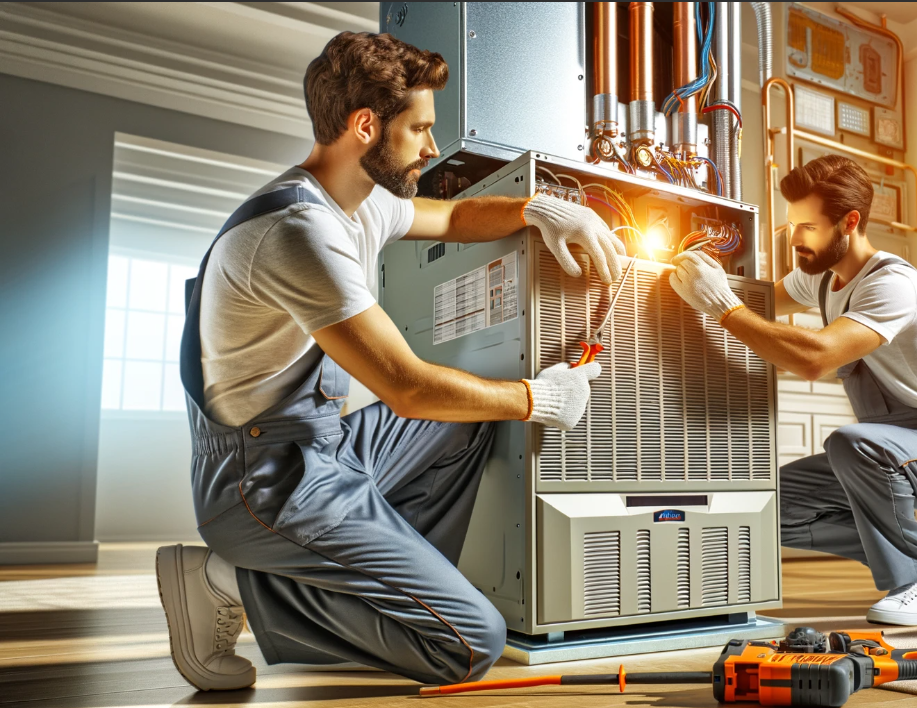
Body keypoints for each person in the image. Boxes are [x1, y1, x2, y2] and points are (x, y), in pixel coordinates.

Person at [156, 32, 626, 691]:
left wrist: (540, 209)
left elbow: (451, 219)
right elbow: (406, 387)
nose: (433, 148)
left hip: (327, 446)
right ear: (366, 126)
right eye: (422, 129)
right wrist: (537, 399)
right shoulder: (299, 233)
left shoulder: (355, 200)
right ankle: (223, 577)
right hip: (263, 482)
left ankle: (388, 585)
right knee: (469, 645)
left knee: (467, 417)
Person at [669, 155, 917, 626]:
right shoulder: (819, 278)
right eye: (792, 225)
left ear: (849, 222)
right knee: (770, 508)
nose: (794, 239)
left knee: (850, 443)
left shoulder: (892, 284)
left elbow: (813, 356)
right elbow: (760, 303)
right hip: (887, 449)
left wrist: (723, 307)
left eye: (808, 227)